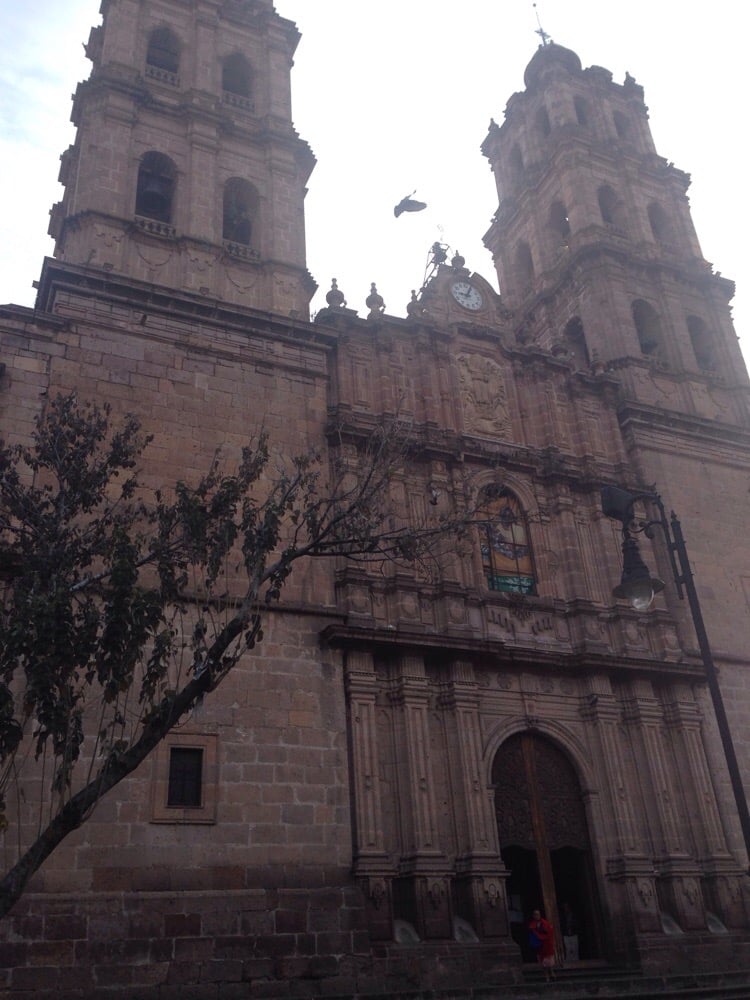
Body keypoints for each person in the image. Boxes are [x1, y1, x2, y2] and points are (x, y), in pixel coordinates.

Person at [528, 908, 555, 980]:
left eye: (537, 914)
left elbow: (549, 932)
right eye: (535, 914)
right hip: (539, 945)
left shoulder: (545, 923)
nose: (536, 916)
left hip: (546, 944)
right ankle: (546, 976)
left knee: (549, 961)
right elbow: (532, 935)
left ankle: (551, 972)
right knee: (542, 962)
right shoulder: (532, 925)